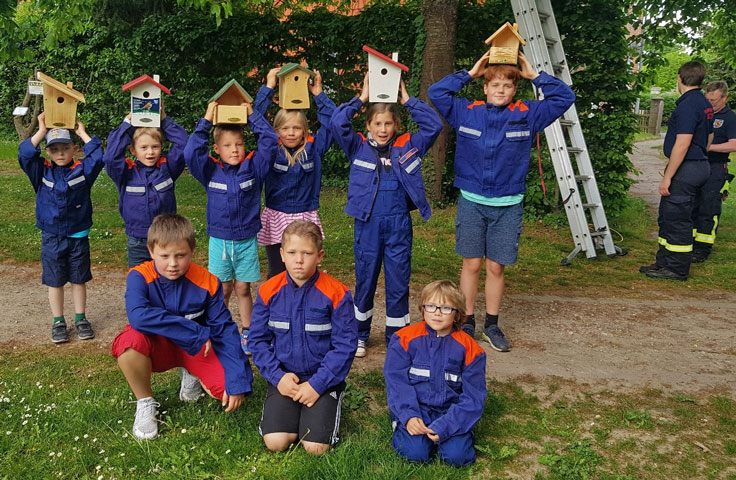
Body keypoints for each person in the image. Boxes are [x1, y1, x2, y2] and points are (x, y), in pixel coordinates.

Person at [428, 51, 575, 351]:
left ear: (514, 89)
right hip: (472, 201)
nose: (500, 90)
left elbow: (565, 98)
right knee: (471, 263)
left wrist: (536, 76)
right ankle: (466, 320)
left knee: (495, 267)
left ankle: (491, 325)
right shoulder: (466, 111)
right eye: (494, 84)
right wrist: (469, 72)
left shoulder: (528, 114)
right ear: (484, 87)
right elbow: (436, 92)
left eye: (507, 85)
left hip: (508, 205)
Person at [111, 214, 253, 440]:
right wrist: (194, 332)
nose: (173, 263)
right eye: (164, 256)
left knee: (226, 389)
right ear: (151, 252)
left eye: (180, 255)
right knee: (129, 344)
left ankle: (191, 373)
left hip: (196, 349)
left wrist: (237, 380)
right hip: (163, 346)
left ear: (193, 251)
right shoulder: (139, 276)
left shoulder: (208, 281)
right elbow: (138, 316)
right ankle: (145, 401)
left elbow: (225, 330)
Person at [330, 74, 442, 357]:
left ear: (396, 125)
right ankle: (359, 335)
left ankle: (397, 336)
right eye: (377, 123)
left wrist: (407, 99)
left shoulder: (408, 145)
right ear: (368, 125)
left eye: (388, 123)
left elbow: (434, 125)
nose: (383, 129)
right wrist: (362, 98)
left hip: (398, 225)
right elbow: (336, 122)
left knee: (398, 281)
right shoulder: (357, 146)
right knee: (365, 279)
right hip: (367, 224)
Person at [249, 220, 357, 455]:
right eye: (292, 253)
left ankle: (325, 404)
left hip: (323, 380)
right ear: (281, 254)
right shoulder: (268, 291)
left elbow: (345, 347)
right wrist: (278, 378)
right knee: (276, 442)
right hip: (285, 379)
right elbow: (257, 341)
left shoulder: (337, 294)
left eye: (307, 253)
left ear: (319, 256)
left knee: (316, 447)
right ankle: (289, 413)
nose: (299, 260)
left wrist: (317, 385)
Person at [184, 101, 278, 355]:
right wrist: (206, 119)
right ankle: (220, 329)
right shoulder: (210, 171)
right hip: (220, 242)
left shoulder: (254, 168)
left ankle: (248, 332)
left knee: (243, 288)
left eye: (238, 144)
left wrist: (251, 115)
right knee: (222, 289)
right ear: (216, 149)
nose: (234, 150)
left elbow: (269, 141)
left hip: (246, 241)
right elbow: (191, 152)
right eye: (227, 146)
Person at [18, 113, 104, 344]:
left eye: (65, 147)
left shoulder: (82, 170)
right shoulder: (41, 171)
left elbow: (98, 157)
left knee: (78, 279)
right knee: (55, 281)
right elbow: (25, 154)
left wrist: (82, 133)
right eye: (54, 149)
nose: (60, 153)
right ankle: (58, 321)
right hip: (52, 236)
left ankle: (81, 318)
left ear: (74, 148)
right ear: (47, 151)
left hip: (78, 235)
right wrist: (42, 130)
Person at [383, 280, 486, 467]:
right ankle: (400, 423)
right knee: (415, 454)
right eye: (431, 306)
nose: (437, 312)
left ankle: (460, 432)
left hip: (451, 412)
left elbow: (473, 397)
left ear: (457, 314)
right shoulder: (404, 339)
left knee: (458, 458)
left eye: (446, 308)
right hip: (417, 409)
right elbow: (396, 382)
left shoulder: (472, 350)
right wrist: (409, 416)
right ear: (423, 308)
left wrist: (447, 426)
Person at [254, 67, 336, 279]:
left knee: (306, 270)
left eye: (297, 128)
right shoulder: (271, 149)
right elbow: (256, 119)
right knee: (277, 271)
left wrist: (318, 94)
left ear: (305, 131)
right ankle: (274, 308)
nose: (291, 133)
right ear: (276, 131)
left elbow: (333, 123)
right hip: (276, 215)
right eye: (285, 128)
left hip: (305, 214)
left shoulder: (314, 148)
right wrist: (269, 86)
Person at [640, 61, 714, 280]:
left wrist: (668, 177)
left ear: (679, 78)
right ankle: (664, 262)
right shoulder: (704, 103)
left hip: (687, 168)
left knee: (676, 218)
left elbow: (682, 143)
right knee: (670, 216)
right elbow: (709, 138)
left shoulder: (688, 105)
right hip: (699, 164)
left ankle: (676, 268)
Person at [104, 102, 189, 267]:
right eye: (143, 147)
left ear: (161, 148)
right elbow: (110, 157)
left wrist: (164, 120)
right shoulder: (126, 173)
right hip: (138, 242)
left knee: (166, 283)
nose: (150, 152)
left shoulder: (168, 168)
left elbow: (184, 145)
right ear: (133, 150)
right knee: (140, 286)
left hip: (166, 239)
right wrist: (127, 124)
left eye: (155, 147)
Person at [691, 81, 736, 262]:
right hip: (698, 165)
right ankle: (691, 242)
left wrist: (710, 147)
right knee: (693, 204)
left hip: (716, 167)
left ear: (724, 98)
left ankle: (703, 247)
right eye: (708, 99)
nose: (710, 103)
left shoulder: (730, 118)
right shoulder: (704, 114)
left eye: (714, 100)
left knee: (708, 207)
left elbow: (734, 144)